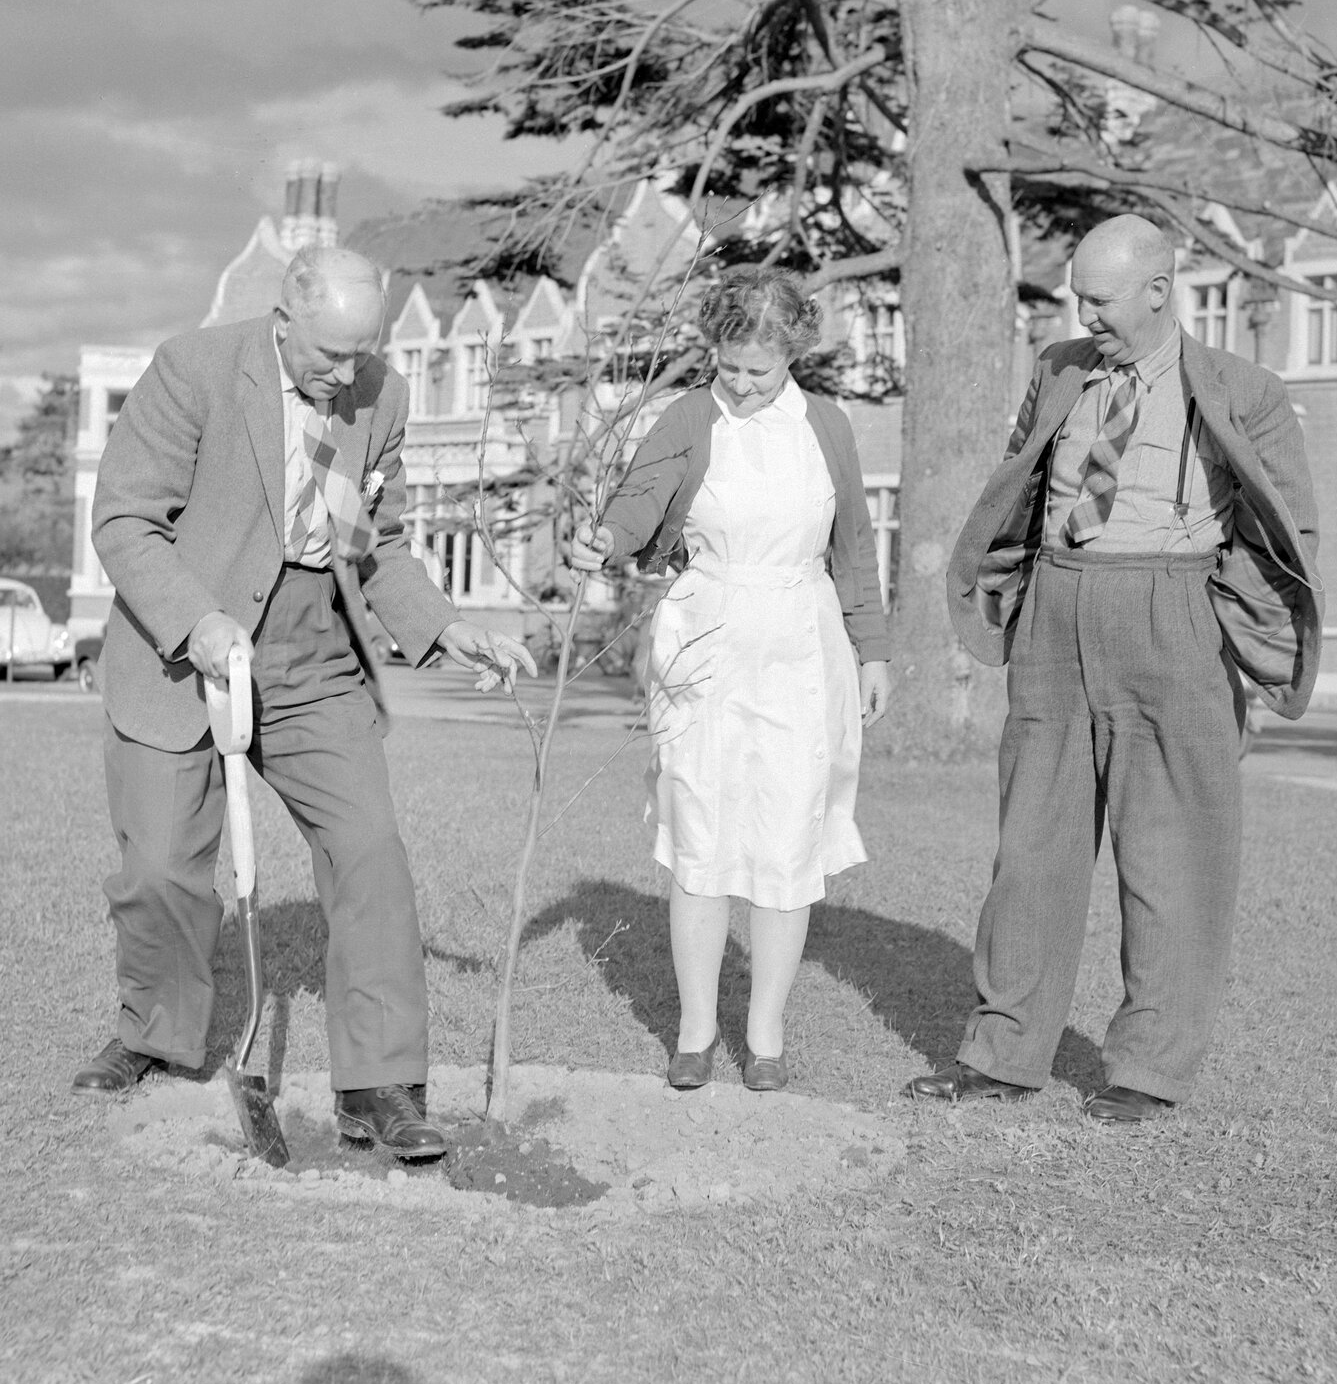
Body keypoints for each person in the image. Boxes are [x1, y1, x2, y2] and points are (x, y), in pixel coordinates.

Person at [72, 245, 535, 1160]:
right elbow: (125, 518)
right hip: (187, 641)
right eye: (328, 356)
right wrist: (197, 623)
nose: (345, 374)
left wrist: (447, 629)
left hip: (311, 647)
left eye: (361, 354)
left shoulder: (378, 396)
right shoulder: (194, 370)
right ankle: (153, 1036)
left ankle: (380, 1085)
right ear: (283, 322)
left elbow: (376, 543)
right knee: (163, 862)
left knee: (369, 850)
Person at [906, 215, 1321, 1124]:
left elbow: (1289, 529)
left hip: (1173, 622)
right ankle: (1003, 1054)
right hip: (1058, 617)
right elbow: (1019, 485)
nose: (1082, 313)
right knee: (1030, 853)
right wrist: (1017, 592)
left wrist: (1211, 611)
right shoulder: (1059, 371)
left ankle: (1148, 1071)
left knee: (1171, 861)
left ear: (1158, 291)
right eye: (1077, 296)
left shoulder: (1244, 390)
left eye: (1098, 299)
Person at [570, 270, 891, 1092]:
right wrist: (605, 539)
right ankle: (695, 1028)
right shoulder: (688, 417)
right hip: (704, 634)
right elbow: (641, 501)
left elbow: (853, 542)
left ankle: (768, 1033)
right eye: (731, 365)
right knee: (702, 834)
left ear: (794, 354)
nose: (744, 384)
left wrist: (874, 650)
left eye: (763, 369)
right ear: (711, 348)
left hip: (799, 639)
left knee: (787, 832)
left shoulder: (827, 425)